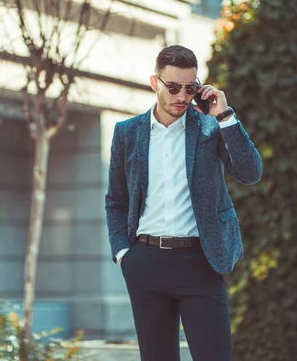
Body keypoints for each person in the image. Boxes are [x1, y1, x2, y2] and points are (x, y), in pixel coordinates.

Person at [105, 45, 263, 361]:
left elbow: (250, 172)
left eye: (189, 88)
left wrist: (225, 116)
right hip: (146, 262)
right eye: (173, 87)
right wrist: (124, 254)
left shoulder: (209, 127)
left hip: (200, 263)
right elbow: (116, 200)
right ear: (155, 82)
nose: (182, 96)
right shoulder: (127, 132)